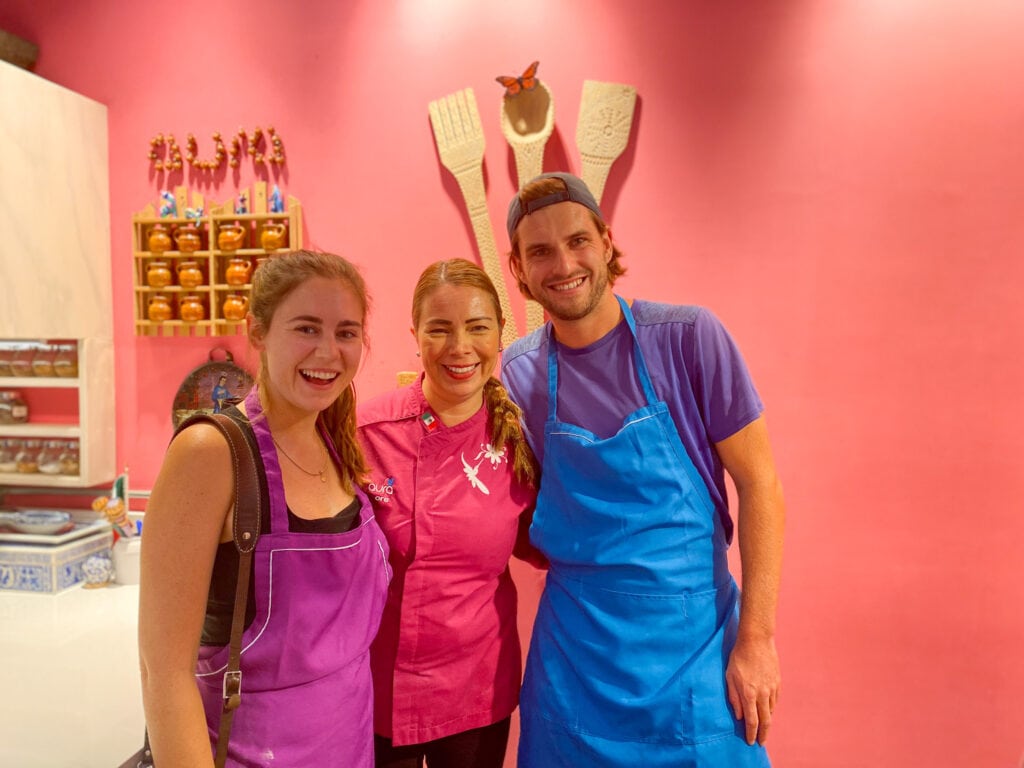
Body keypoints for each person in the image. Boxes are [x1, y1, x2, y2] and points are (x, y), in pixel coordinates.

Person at [501, 172, 786, 767]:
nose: (563, 263)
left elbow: (761, 485)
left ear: (606, 241)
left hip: (697, 652)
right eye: (540, 251)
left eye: (577, 240)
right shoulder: (517, 376)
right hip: (575, 666)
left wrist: (757, 639)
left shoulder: (688, 339)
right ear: (518, 269)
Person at [139, 250, 391, 767]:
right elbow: (163, 670)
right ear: (256, 331)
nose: (328, 352)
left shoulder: (336, 441)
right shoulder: (211, 452)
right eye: (306, 328)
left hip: (350, 744)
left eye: (346, 333)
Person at [357, 258, 545, 768]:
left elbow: (550, 545)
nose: (460, 347)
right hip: (374, 689)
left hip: (476, 692)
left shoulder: (522, 443)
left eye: (477, 327)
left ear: (500, 333)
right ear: (415, 335)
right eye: (439, 329)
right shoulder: (364, 434)